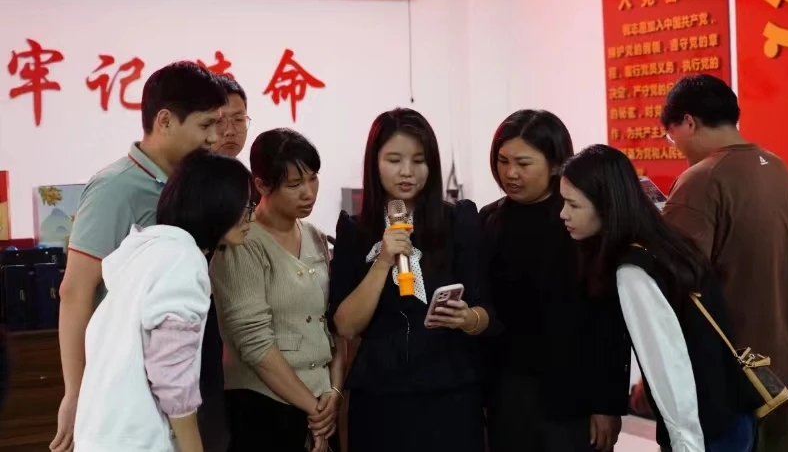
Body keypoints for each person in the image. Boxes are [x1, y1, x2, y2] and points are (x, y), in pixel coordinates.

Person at [51, 62, 227, 452]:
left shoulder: (189, 186)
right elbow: (76, 291)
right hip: (131, 392)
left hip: (182, 374)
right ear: (164, 121)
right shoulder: (115, 189)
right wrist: (75, 391)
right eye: (205, 125)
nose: (215, 138)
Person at [560, 144, 757, 452]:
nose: (563, 214)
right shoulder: (666, 243)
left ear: (606, 205)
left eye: (573, 205)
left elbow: (668, 366)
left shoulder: (633, 269)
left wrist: (685, 444)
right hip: (732, 413)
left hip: (702, 429)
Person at [328, 108, 492, 452]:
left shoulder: (458, 220)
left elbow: (486, 310)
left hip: (450, 390)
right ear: (374, 163)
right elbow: (346, 325)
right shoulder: (355, 230)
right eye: (394, 160)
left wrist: (467, 318)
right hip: (381, 395)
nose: (407, 171)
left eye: (419, 161)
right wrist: (383, 260)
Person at [72, 149, 255, 452]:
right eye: (246, 206)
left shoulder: (145, 252)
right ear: (217, 204)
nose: (251, 216)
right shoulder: (184, 260)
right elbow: (171, 373)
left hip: (101, 436)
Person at [659, 74, 788, 452]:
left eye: (671, 135)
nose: (676, 146)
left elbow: (677, 285)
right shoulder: (778, 167)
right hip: (779, 372)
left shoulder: (701, 179)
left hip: (730, 376)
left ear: (688, 122)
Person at [480, 110, 628, 452]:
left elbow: (608, 319)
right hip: (508, 389)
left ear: (556, 164)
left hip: (573, 393)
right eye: (503, 161)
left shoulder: (580, 221)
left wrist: (607, 403)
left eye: (523, 163)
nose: (510, 173)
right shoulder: (488, 220)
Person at [211, 129, 344, 452]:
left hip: (322, 402)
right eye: (294, 184)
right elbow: (254, 343)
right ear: (261, 185)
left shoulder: (314, 236)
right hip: (264, 407)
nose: (308, 192)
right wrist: (314, 411)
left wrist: (334, 393)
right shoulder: (242, 242)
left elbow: (332, 322)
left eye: (313, 179)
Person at [202, 75, 251, 452]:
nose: (230, 130)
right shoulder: (192, 183)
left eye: (239, 119)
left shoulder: (249, 181)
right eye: (220, 121)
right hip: (204, 328)